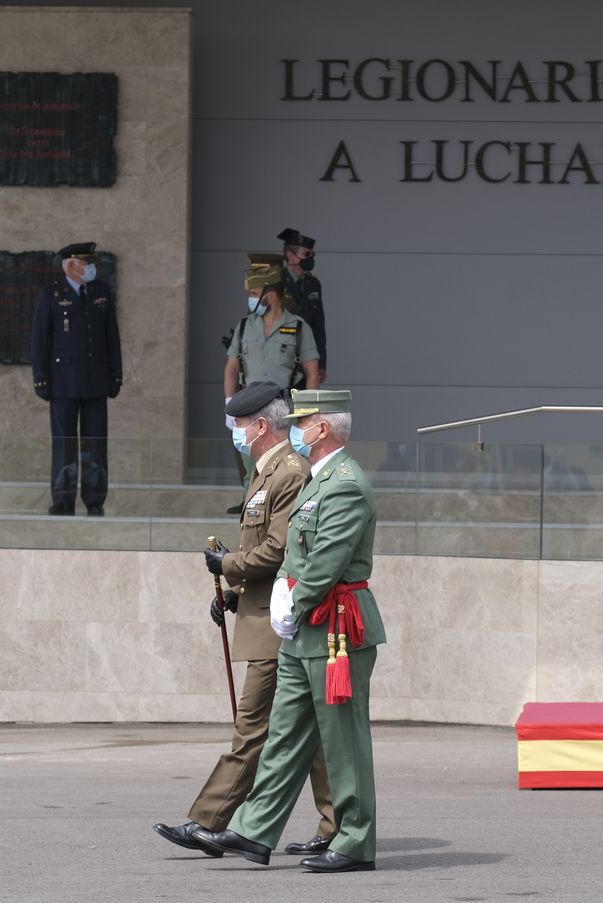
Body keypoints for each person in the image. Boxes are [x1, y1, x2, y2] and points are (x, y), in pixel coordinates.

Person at [193, 389, 385, 874]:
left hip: (335, 627)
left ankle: (354, 840)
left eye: (302, 422)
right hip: (305, 629)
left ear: (323, 429)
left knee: (343, 741)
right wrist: (281, 591)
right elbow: (293, 553)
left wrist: (292, 603)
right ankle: (255, 829)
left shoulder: (345, 484)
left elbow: (326, 562)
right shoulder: (318, 480)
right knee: (284, 734)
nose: (295, 430)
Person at [153, 381, 338, 859]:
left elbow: (279, 550)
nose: (235, 431)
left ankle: (208, 821)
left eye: (239, 423)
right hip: (262, 617)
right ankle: (336, 825)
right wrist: (235, 594)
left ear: (259, 426)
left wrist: (228, 565)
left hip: (279, 625)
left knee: (252, 727)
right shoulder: (264, 472)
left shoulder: (289, 473)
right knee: (310, 731)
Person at [223, 253, 321, 514]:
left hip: (283, 407)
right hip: (249, 407)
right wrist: (229, 403)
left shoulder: (298, 327)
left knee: (288, 465)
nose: (251, 298)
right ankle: (252, 517)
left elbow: (312, 371)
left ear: (272, 295)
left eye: (255, 293)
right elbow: (231, 367)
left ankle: (284, 515)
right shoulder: (245, 326)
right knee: (251, 467)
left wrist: (307, 411)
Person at [30, 242, 122, 517]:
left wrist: (115, 374)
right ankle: (63, 498)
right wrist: (41, 378)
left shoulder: (101, 292)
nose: (92, 268)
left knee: (96, 443)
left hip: (96, 381)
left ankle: (95, 498)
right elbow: (39, 340)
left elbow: (111, 337)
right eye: (86, 263)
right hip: (63, 382)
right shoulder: (51, 294)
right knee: (64, 444)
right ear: (70, 265)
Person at [277, 228, 327, 381]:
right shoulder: (275, 282)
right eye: (306, 254)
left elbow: (318, 328)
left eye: (312, 255)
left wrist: (321, 364)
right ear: (290, 255)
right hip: (278, 361)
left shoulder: (313, 284)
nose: (309, 259)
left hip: (306, 362)